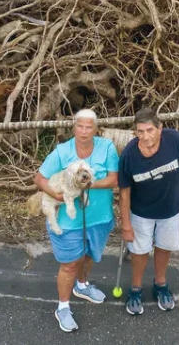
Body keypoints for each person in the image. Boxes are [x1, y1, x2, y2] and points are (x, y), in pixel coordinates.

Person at [34, 108, 119, 333]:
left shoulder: (106, 148)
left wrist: (88, 183)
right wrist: (56, 195)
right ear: (74, 127)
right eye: (79, 126)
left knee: (89, 256)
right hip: (68, 221)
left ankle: (82, 286)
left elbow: (113, 179)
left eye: (88, 127)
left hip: (99, 217)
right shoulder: (62, 152)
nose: (83, 131)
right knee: (70, 263)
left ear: (95, 129)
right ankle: (62, 307)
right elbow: (39, 178)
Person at [117, 107, 179, 315]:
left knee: (164, 247)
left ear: (160, 128)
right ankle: (136, 289)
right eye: (140, 132)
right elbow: (124, 193)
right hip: (141, 212)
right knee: (139, 252)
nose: (145, 136)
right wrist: (126, 224)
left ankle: (160, 285)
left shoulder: (174, 140)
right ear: (135, 133)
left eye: (149, 130)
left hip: (170, 209)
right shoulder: (129, 155)